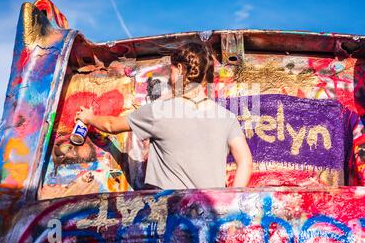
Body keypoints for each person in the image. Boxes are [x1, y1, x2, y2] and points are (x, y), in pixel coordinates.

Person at [75, 42, 253, 190]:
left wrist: (88, 117)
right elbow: (245, 161)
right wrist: (231, 202)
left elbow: (111, 125)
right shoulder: (227, 118)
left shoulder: (159, 111)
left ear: (181, 69)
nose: (169, 76)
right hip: (210, 220)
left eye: (172, 70)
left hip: (171, 217)